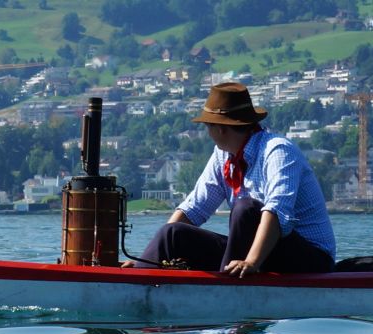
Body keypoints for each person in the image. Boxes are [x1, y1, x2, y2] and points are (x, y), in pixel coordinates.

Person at [128, 82, 335, 277]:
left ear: (220, 128)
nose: (207, 133)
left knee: (246, 209)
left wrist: (251, 263)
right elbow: (194, 208)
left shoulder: (278, 151)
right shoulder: (223, 155)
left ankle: (224, 288)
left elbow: (276, 212)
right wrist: (148, 258)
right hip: (258, 251)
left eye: (207, 126)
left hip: (311, 259)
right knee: (173, 234)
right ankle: (139, 278)